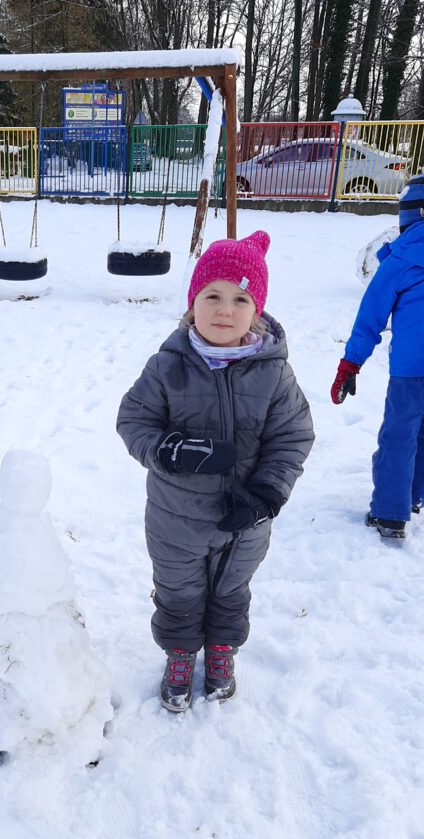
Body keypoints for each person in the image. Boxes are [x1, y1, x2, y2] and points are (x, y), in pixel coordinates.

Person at [117, 231, 314, 712]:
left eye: (240, 298)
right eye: (212, 296)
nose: (224, 310)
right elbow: (134, 420)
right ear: (192, 305)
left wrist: (268, 492)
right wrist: (166, 449)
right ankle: (181, 653)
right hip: (174, 518)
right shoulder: (168, 366)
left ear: (257, 310)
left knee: (230, 590)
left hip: (245, 521)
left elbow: (292, 436)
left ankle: (222, 650)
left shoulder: (273, 373)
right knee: (178, 591)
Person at [331, 172, 424, 541]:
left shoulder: (400, 259)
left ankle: (391, 514)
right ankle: (412, 498)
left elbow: (370, 318)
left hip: (412, 368)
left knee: (400, 434)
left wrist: (351, 363)